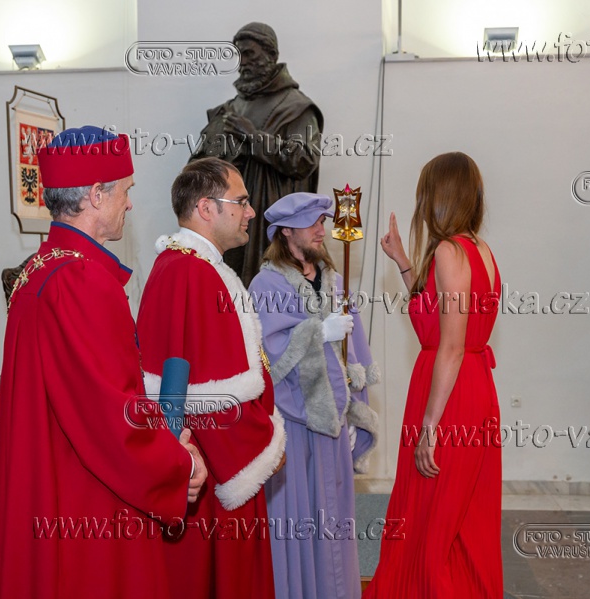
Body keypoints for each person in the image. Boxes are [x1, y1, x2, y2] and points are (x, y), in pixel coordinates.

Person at [0, 126, 208, 598]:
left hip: (50, 484)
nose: (130, 204)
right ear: (95, 194)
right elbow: (111, 417)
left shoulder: (40, 271)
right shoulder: (81, 280)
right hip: (86, 500)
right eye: (125, 190)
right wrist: (177, 464)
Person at [137, 156, 286, 599]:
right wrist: (266, 444)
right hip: (215, 472)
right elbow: (209, 398)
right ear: (206, 207)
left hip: (213, 464)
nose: (251, 212)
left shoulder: (194, 267)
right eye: (241, 202)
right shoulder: (192, 273)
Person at [364, 152, 503, 598]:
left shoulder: (448, 251)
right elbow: (435, 318)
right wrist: (403, 262)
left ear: (439, 197)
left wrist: (430, 425)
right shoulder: (479, 250)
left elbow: (451, 345)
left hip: (449, 394)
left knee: (432, 516)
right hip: (472, 387)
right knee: (460, 517)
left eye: (424, 193)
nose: (420, 203)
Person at [248, 192, 380, 599]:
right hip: (294, 428)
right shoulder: (266, 284)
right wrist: (318, 332)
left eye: (323, 220)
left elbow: (353, 355)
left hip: (334, 429)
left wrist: (354, 412)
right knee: (297, 526)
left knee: (335, 525)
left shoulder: (335, 281)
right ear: (286, 231)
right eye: (312, 222)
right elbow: (270, 356)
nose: (322, 229)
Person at [189, 22, 323, 287]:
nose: (243, 62)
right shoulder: (229, 109)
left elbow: (304, 160)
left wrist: (253, 137)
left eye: (249, 54)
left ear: (271, 55)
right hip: (227, 226)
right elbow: (198, 167)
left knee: (269, 296)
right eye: (239, 55)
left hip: (269, 224)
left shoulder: (296, 107)